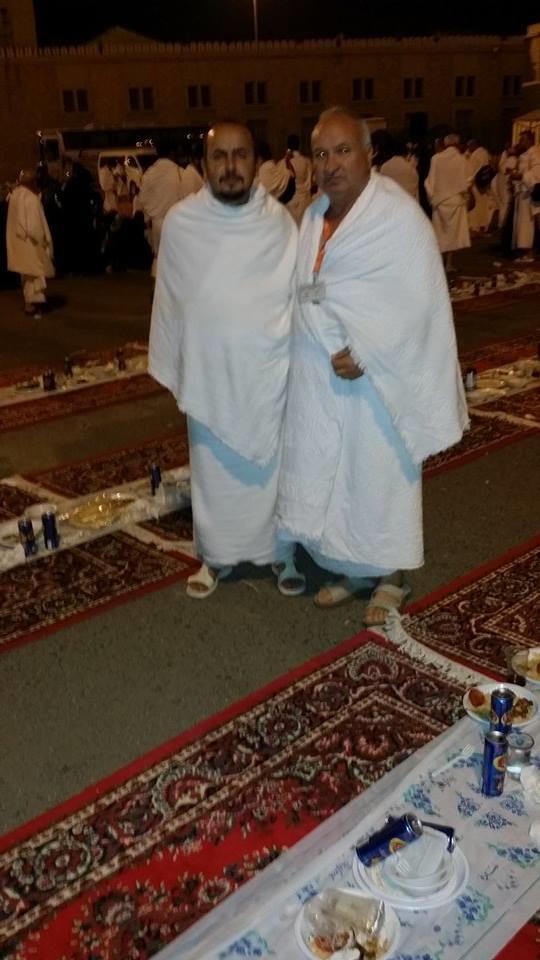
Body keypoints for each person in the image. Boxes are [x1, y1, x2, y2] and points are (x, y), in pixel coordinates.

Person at [277, 108, 468, 627]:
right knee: (340, 477)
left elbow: (421, 303)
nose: (331, 164)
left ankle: (391, 575)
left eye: (343, 151)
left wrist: (367, 352)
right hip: (319, 375)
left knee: (378, 474)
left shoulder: (397, 217)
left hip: (376, 381)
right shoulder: (313, 216)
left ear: (368, 154)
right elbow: (304, 289)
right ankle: (353, 568)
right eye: (321, 154)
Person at [148, 121, 301, 599]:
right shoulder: (182, 225)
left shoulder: (278, 223)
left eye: (241, 155)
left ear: (256, 163)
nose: (231, 166)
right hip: (210, 377)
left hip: (267, 375)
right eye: (220, 156)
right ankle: (214, 556)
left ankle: (281, 552)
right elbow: (171, 302)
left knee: (272, 472)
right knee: (214, 475)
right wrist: (184, 363)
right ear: (204, 164)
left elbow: (294, 298)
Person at [136, 138, 195, 276]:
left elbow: (143, 199)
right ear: (172, 153)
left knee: (158, 257)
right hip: (176, 223)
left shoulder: (149, 174)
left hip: (156, 224)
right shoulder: (180, 173)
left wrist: (151, 216)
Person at [6, 168, 54, 318]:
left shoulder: (15, 196)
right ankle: (32, 305)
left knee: (27, 275)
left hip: (20, 244)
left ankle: (30, 303)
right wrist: (44, 240)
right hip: (32, 244)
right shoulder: (31, 199)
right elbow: (34, 226)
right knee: (35, 275)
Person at [424, 133, 471, 272]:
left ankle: (438, 263)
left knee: (440, 232)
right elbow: (466, 182)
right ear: (457, 144)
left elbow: (430, 181)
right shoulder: (461, 159)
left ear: (445, 144)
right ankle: (449, 264)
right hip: (456, 201)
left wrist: (432, 197)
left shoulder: (436, 159)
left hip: (440, 201)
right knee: (453, 234)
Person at [512, 131, 540, 262]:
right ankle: (525, 251)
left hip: (530, 193)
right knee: (524, 224)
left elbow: (537, 173)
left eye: (522, 139)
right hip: (522, 193)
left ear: (530, 140)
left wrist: (521, 175)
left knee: (528, 223)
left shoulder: (536, 154)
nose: (520, 142)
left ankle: (529, 253)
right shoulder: (524, 154)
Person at [465, 139, 495, 234]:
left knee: (475, 206)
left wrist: (468, 185)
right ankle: (483, 225)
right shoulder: (485, 153)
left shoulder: (475, 155)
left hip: (476, 185)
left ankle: (475, 227)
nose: (468, 148)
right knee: (484, 205)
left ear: (474, 145)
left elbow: (471, 171)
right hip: (484, 184)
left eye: (469, 146)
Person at [282, 134, 312, 224]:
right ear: (299, 145)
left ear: (288, 146)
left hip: (290, 202)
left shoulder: (284, 162)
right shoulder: (306, 161)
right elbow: (309, 181)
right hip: (305, 200)